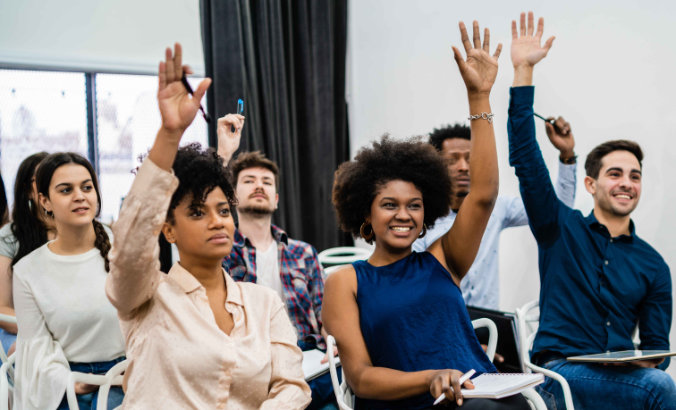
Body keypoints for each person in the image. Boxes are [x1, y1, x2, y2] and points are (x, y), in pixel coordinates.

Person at [323, 21, 530, 410]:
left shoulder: (442, 259)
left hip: (479, 395)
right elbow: (361, 378)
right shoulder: (345, 282)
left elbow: (483, 195)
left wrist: (479, 97)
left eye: (414, 205)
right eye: (389, 204)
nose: (404, 215)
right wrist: (432, 378)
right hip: (413, 403)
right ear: (365, 212)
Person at [105, 43, 311, 409]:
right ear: (168, 229)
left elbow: (292, 387)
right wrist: (169, 135)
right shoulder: (145, 297)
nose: (217, 220)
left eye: (223, 210)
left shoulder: (263, 305)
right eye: (198, 213)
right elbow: (132, 244)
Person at [507, 11, 675, 409]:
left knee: (656, 382)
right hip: (557, 373)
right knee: (660, 391)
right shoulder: (558, 228)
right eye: (615, 174)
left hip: (619, 377)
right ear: (590, 184)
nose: (626, 183)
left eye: (634, 176)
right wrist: (523, 72)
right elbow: (526, 160)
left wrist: (638, 359)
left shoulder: (653, 265)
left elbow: (656, 349)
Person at [218, 120, 331, 409]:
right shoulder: (221, 254)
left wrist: (335, 342)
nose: (259, 186)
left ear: (277, 199)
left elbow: (324, 314)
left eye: (267, 182)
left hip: (309, 358)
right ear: (232, 196)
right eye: (249, 180)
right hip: (250, 363)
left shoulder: (304, 253)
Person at [412, 120, 576, 310]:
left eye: (470, 158)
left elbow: (554, 210)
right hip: (439, 320)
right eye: (452, 160)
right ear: (435, 166)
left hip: (489, 324)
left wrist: (567, 156)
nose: (463, 167)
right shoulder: (420, 215)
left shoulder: (496, 207)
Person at [12, 152, 124, 410]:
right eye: (66, 190)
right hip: (69, 384)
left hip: (129, 375)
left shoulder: (122, 250)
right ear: (45, 201)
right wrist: (73, 383)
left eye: (87, 187)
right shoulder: (28, 271)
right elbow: (36, 350)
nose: (79, 196)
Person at [0, 152, 56, 354]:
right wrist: (47, 329)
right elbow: (1, 308)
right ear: (28, 191)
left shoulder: (81, 232)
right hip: (20, 330)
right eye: (42, 179)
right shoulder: (9, 236)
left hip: (72, 330)